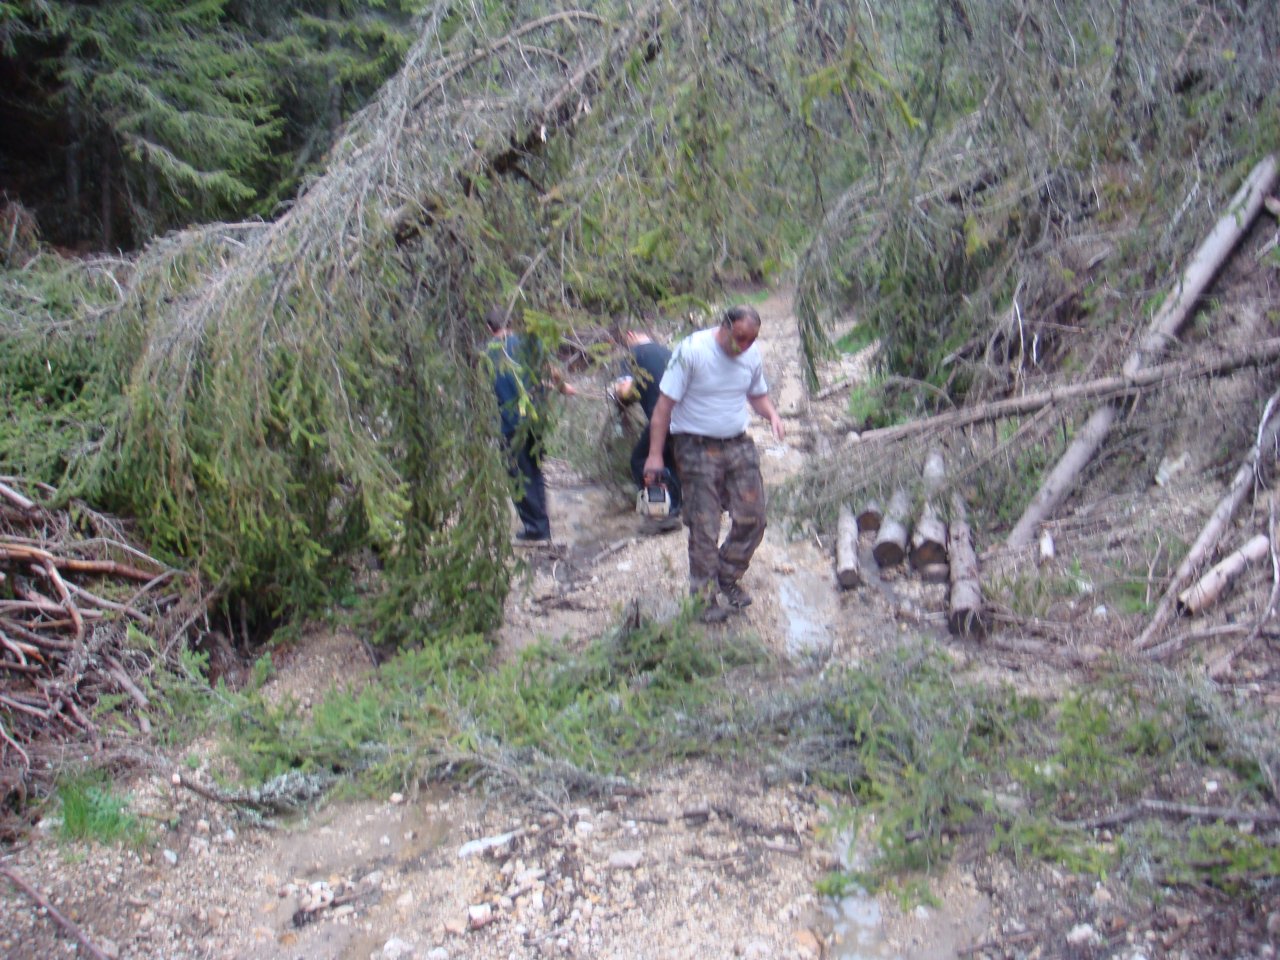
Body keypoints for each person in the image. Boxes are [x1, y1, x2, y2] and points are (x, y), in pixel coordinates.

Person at [643, 304, 785, 622]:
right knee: (704, 526)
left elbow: (757, 395)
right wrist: (655, 455)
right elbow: (663, 408)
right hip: (695, 446)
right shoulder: (691, 351)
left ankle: (727, 575)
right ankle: (703, 599)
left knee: (753, 517)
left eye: (752, 339)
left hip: (737, 443)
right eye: (740, 337)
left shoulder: (751, 356)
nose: (744, 345)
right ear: (725, 326)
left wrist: (773, 414)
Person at [484, 306, 576, 543]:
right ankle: (541, 524)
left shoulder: (487, 354)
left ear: (489, 328)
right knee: (534, 471)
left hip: (510, 424)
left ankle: (536, 528)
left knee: (519, 475)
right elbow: (551, 370)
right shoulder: (529, 342)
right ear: (511, 323)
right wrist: (563, 388)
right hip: (535, 420)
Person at [612, 328, 682, 532]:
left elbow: (625, 391)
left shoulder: (633, 356)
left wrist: (615, 391)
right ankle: (676, 507)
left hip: (662, 417)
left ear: (630, 335)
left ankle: (662, 514)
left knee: (641, 460)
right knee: (668, 459)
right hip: (686, 415)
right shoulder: (668, 352)